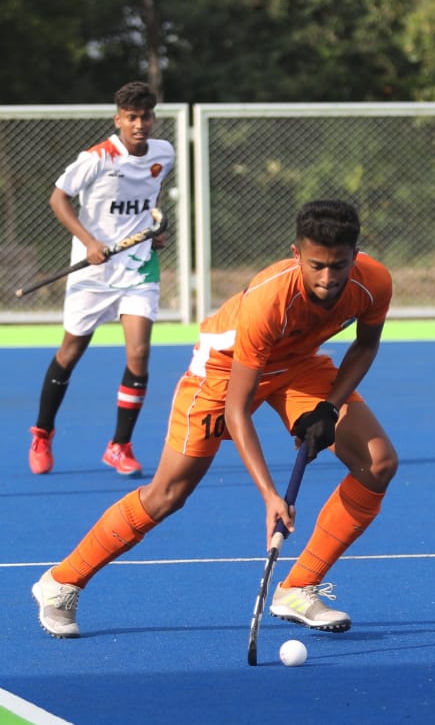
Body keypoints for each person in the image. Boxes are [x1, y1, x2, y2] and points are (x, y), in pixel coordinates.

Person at [32, 199, 397, 640]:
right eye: (316, 266)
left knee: (378, 463)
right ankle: (62, 582)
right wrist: (269, 495)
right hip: (223, 371)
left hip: (299, 364)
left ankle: (298, 587)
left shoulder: (373, 281)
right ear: (296, 254)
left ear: (355, 255)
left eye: (338, 266)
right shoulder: (269, 300)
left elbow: (365, 345)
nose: (327, 278)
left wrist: (329, 407)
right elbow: (237, 410)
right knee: (168, 494)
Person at [27, 81, 176, 477]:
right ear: (118, 120)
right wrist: (89, 242)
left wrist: (152, 231)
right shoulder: (97, 158)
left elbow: (150, 198)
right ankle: (42, 433)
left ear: (153, 118)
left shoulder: (164, 154)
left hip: (139, 267)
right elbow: (58, 198)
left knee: (139, 354)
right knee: (70, 351)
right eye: (131, 117)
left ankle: (119, 446)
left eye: (146, 117)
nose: (139, 124)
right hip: (93, 272)